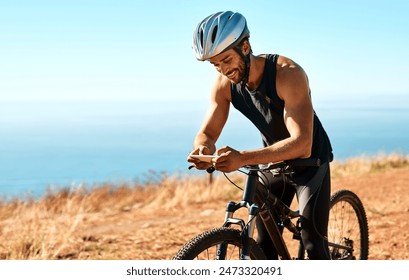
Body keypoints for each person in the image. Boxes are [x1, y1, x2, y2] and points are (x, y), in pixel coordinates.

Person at [187, 11, 334, 259]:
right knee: (264, 245)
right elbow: (208, 132)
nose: (223, 70)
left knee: (313, 244)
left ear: (245, 47)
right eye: (215, 64)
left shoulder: (288, 74)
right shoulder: (224, 84)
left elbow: (302, 144)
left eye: (226, 59)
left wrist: (242, 157)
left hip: (311, 162)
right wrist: (203, 148)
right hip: (273, 162)